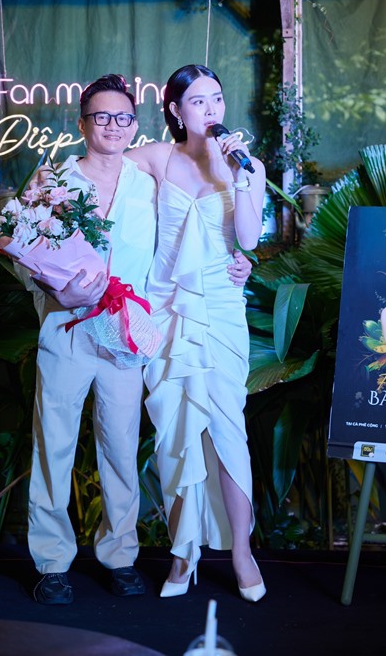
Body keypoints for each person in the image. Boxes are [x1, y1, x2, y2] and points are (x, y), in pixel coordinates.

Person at [25, 73, 253, 605]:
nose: (113, 126)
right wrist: (50, 285)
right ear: (82, 124)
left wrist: (242, 263)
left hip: (126, 334)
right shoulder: (54, 179)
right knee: (52, 445)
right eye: (102, 117)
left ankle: (120, 555)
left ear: (136, 124)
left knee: (122, 447)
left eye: (123, 117)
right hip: (65, 328)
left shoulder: (145, 179)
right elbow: (22, 246)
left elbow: (198, 232)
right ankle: (52, 563)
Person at [127, 64, 267, 601]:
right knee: (175, 434)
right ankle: (183, 551)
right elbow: (100, 169)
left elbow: (248, 239)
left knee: (228, 430)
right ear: (175, 110)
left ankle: (241, 551)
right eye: (199, 101)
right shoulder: (157, 158)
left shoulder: (246, 165)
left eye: (217, 99)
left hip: (220, 308)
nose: (211, 110)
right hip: (165, 309)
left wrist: (239, 176)